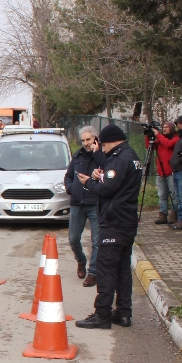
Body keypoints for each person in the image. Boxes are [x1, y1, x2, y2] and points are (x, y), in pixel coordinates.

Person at [74, 124, 143, 329]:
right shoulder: (130, 156)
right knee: (122, 269)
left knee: (106, 269)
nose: (101, 148)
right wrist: (99, 176)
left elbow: (107, 189)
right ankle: (123, 312)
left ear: (112, 141)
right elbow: (115, 181)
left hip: (114, 221)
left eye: (102, 145)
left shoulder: (119, 159)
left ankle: (102, 314)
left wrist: (89, 183)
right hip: (127, 220)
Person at [63, 126, 105, 288]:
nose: (86, 143)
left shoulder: (102, 155)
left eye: (89, 139)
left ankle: (93, 272)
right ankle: (81, 260)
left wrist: (97, 153)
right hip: (77, 202)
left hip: (95, 202)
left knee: (96, 241)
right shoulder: (78, 155)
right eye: (83, 140)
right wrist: (71, 188)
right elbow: (68, 176)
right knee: (73, 239)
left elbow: (107, 170)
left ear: (96, 139)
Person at [149, 122, 179, 224]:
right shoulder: (160, 139)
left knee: (174, 195)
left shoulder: (175, 138)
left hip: (171, 171)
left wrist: (158, 134)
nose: (164, 129)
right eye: (163, 127)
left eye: (167, 127)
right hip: (160, 172)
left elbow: (168, 144)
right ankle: (163, 214)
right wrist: (148, 136)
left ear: (172, 128)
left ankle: (174, 214)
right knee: (162, 195)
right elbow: (150, 147)